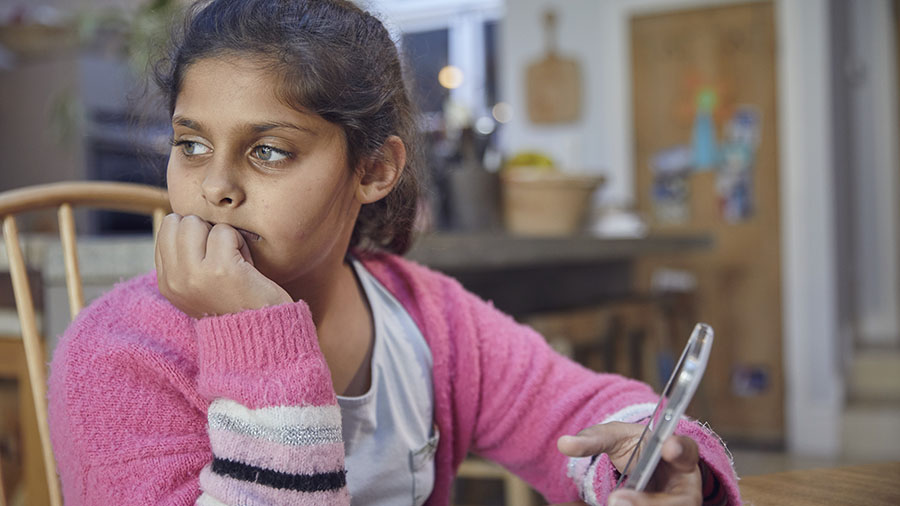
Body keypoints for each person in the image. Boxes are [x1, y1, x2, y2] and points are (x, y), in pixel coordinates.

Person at [48, 0, 740, 504]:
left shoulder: (426, 319)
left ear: (374, 170)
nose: (216, 187)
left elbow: (584, 409)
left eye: (268, 151)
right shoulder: (114, 356)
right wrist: (256, 340)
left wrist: (654, 466)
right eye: (191, 145)